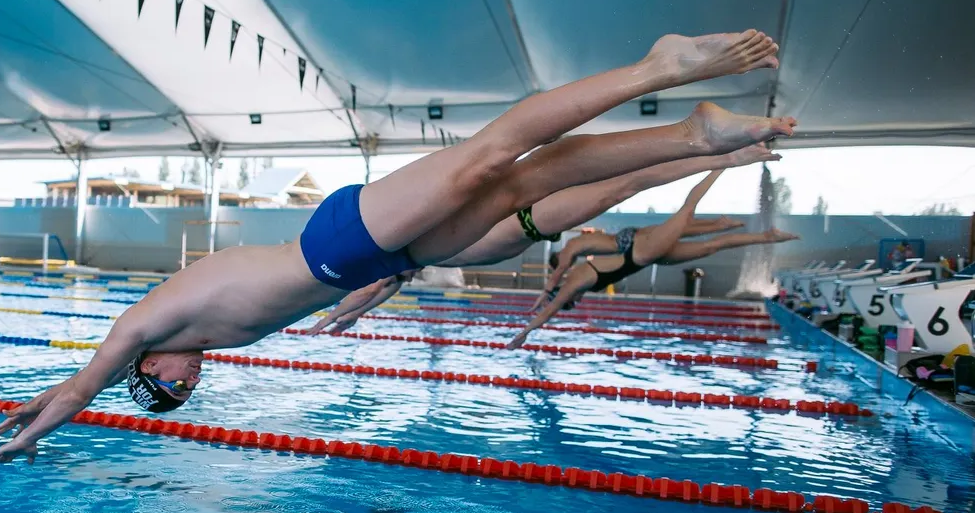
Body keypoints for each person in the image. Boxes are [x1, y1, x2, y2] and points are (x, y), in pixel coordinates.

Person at [0, 29, 789, 463]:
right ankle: (693, 136)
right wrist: (375, 289)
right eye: (183, 396)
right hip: (370, 260)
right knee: (524, 186)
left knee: (489, 155)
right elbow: (290, 300)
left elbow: (79, 388)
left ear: (147, 367)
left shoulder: (139, 329)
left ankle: (658, 66)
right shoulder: (204, 339)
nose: (186, 385)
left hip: (333, 240)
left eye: (168, 388)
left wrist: (32, 429)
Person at [305, 143, 779, 335]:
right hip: (532, 221)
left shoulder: (401, 256)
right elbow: (370, 293)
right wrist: (338, 318)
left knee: (623, 184)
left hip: (532, 220)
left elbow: (367, 292)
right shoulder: (402, 262)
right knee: (620, 184)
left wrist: (334, 317)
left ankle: (720, 155)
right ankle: (717, 155)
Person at [506, 169, 799, 347]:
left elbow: (551, 308)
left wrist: (526, 331)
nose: (576, 303)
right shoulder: (576, 277)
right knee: (709, 246)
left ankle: (720, 165)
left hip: (641, 251)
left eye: (571, 303)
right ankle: (766, 236)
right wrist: (545, 294)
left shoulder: (573, 281)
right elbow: (553, 295)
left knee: (686, 212)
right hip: (642, 253)